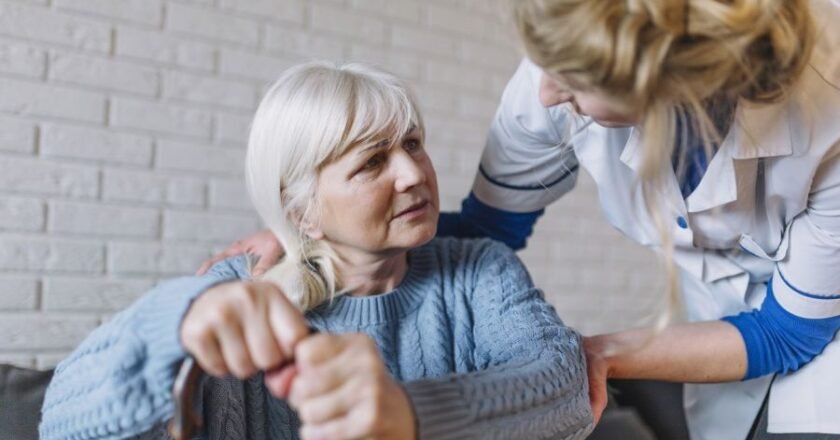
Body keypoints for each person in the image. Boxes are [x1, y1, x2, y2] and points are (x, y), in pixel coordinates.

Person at [201, 1, 840, 438]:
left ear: (660, 86)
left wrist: (594, 355)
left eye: (414, 145)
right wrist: (310, 241)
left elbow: (789, 332)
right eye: (370, 162)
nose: (545, 93)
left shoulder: (827, 117)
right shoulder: (555, 68)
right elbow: (488, 227)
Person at [38, 62, 594, 440]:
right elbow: (59, 423)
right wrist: (172, 326)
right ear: (301, 210)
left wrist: (410, 415)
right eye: (372, 162)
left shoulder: (479, 271)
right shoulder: (238, 293)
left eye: (413, 144)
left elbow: (565, 386)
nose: (413, 173)